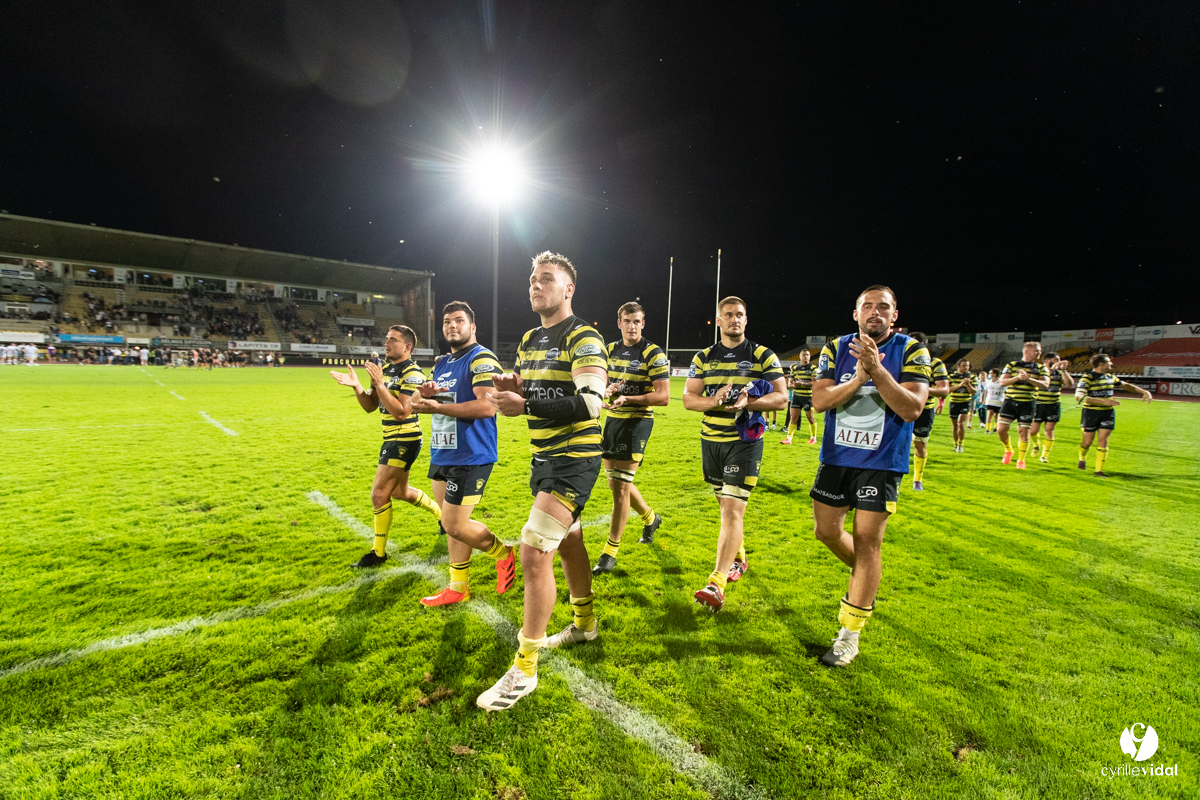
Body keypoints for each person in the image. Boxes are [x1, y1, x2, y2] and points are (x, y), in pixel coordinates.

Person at [476, 251, 607, 711]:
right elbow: (540, 392)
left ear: (568, 289)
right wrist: (520, 388)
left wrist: (526, 404)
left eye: (546, 279)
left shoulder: (584, 335)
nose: (536, 285)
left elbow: (591, 403)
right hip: (543, 458)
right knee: (569, 543)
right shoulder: (529, 340)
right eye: (532, 279)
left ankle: (525, 668)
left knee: (533, 552)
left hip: (576, 458)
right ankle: (585, 625)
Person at [810, 285, 930, 667]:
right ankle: (867, 579)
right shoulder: (834, 348)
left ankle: (849, 635)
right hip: (837, 457)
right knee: (826, 532)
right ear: (855, 312)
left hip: (882, 461)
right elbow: (820, 400)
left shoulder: (912, 350)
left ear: (894, 315)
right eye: (867, 306)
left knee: (867, 541)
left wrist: (877, 370)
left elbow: (912, 408)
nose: (874, 312)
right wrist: (859, 378)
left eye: (883, 307)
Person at [682, 296, 786, 611]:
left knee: (731, 510)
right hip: (710, 441)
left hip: (744, 442)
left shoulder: (763, 355)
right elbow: (689, 398)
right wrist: (716, 401)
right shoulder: (704, 357)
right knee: (725, 507)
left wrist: (748, 403)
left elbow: (782, 398)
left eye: (740, 314)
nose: (734, 320)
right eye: (728, 315)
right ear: (718, 320)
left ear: (746, 319)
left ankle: (716, 583)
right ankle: (740, 558)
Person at [408, 301, 514, 606]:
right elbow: (414, 402)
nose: (452, 326)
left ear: (472, 327)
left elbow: (486, 406)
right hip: (442, 452)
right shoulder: (441, 363)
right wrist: (425, 393)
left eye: (459, 321)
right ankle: (458, 586)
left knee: (454, 523)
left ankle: (502, 552)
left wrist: (438, 406)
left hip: (471, 454)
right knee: (448, 522)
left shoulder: (481, 359)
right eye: (447, 322)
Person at [330, 324, 442, 568]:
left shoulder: (413, 374)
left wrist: (380, 384)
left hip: (404, 438)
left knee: (379, 494)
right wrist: (358, 386)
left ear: (408, 346)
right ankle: (442, 516)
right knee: (399, 492)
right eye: (386, 339)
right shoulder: (387, 370)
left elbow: (402, 412)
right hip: (392, 438)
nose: (386, 343)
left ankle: (378, 553)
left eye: (393, 339)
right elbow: (370, 406)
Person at [592, 301, 669, 574]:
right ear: (619, 323)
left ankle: (610, 552)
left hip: (638, 422)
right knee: (617, 485)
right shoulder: (610, 350)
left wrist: (628, 398)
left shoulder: (653, 352)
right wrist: (606, 390)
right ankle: (650, 518)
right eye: (628, 321)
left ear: (643, 324)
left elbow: (664, 396)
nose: (633, 326)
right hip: (613, 420)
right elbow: (600, 381)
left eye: (637, 321)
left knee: (621, 488)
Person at [1075, 353, 1152, 477]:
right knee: (1087, 442)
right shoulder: (1087, 378)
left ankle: (1098, 470)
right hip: (1091, 413)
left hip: (1107, 412)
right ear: (1101, 364)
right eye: (1109, 362)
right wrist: (1103, 401)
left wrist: (1143, 391)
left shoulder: (1111, 377)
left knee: (1103, 440)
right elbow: (1079, 397)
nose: (1111, 364)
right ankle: (1082, 457)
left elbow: (1125, 385)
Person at [906, 333, 949, 490]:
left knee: (919, 445)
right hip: (899, 407)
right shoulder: (901, 360)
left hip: (924, 410)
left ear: (923, 345)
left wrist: (921, 390)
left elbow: (944, 390)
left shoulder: (935, 363)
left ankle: (918, 479)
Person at [997, 341, 1050, 469]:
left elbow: (1045, 385)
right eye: (1036, 350)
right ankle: (1008, 449)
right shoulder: (1012, 365)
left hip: (1028, 403)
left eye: (1039, 350)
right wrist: (1017, 378)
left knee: (1023, 431)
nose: (1039, 353)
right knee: (1001, 430)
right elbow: (1002, 382)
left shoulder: (1041, 368)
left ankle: (1021, 461)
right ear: (1027, 351)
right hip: (1010, 401)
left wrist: (1028, 379)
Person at [1029, 351, 1074, 463]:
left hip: (1053, 404)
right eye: (1056, 360)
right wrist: (1049, 370)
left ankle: (1044, 456)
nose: (1059, 362)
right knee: (1032, 432)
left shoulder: (1059, 373)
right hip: (1038, 404)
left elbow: (1069, 384)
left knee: (1049, 430)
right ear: (1048, 361)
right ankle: (1036, 445)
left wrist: (1063, 370)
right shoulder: (1038, 371)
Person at [780, 349, 818, 445]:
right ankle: (789, 438)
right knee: (793, 418)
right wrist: (795, 385)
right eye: (804, 355)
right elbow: (789, 384)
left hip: (808, 397)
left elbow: (814, 383)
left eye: (808, 355)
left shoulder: (813, 368)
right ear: (800, 357)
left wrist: (803, 384)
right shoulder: (795, 368)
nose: (806, 356)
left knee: (810, 418)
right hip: (796, 397)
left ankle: (813, 438)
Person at [947, 360, 976, 452]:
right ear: (958, 366)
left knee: (961, 423)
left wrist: (968, 385)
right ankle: (955, 444)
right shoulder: (951, 376)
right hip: (954, 402)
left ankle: (961, 445)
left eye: (967, 366)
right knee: (955, 425)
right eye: (964, 366)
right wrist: (960, 385)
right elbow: (947, 390)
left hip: (965, 402)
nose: (966, 368)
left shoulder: (972, 377)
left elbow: (973, 392)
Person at [983, 368, 1004, 433]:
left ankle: (996, 427)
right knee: (989, 413)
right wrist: (985, 399)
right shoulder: (989, 381)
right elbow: (986, 390)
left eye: (991, 373)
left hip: (998, 400)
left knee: (996, 415)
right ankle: (988, 429)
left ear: (995, 374)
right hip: (990, 400)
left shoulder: (1001, 381)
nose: (990, 374)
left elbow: (1005, 391)